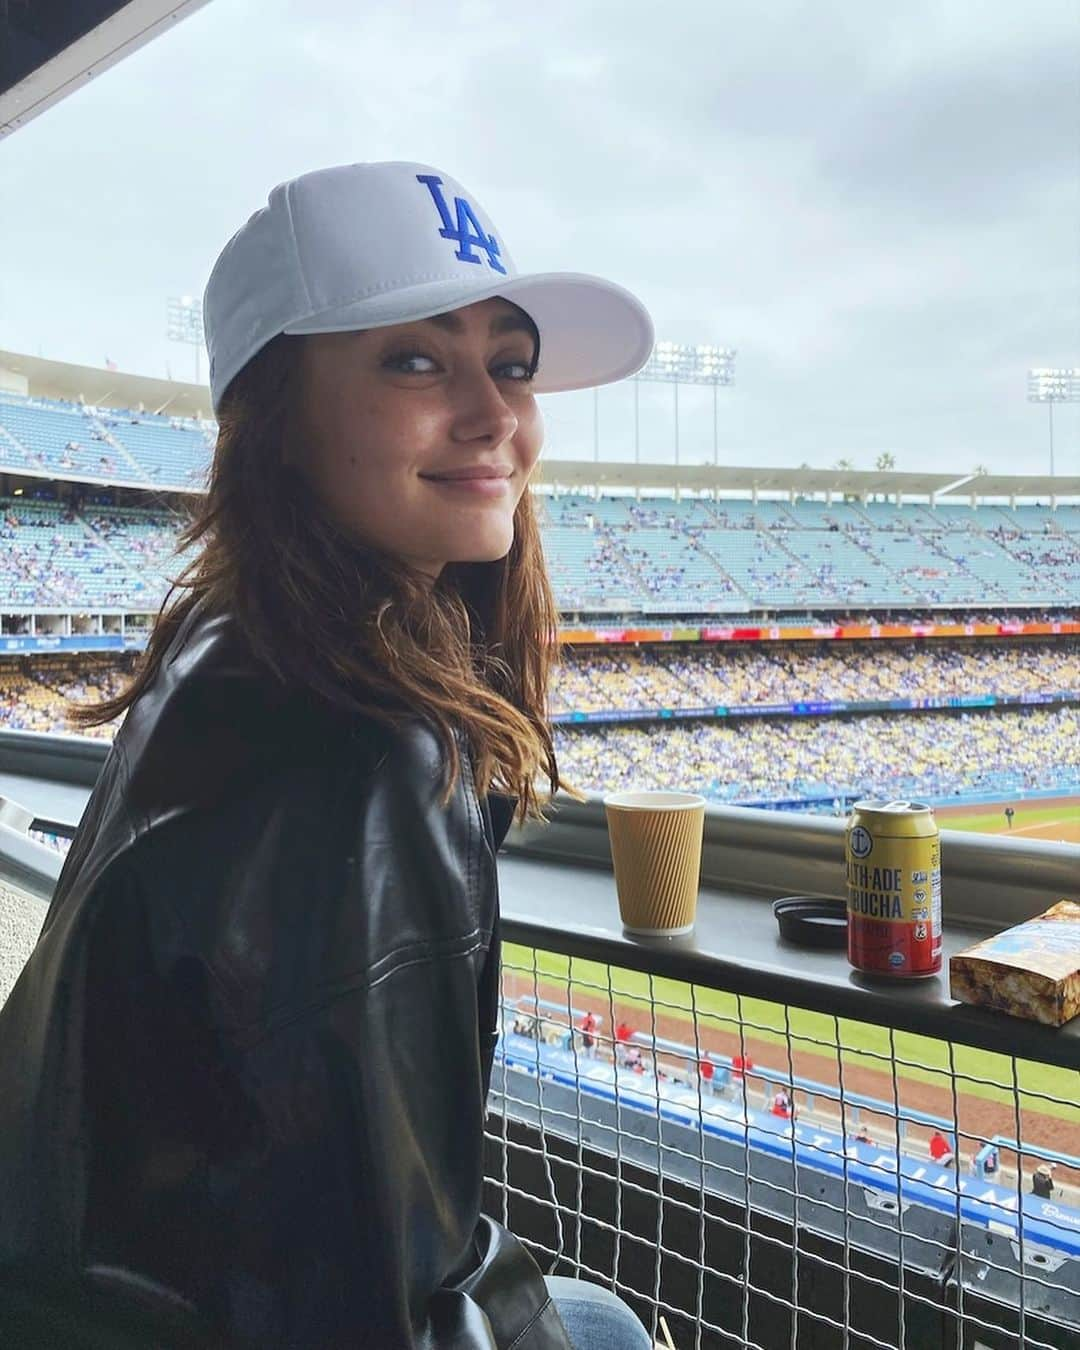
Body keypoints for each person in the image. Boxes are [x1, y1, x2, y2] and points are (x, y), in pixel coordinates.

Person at [0, 162, 655, 1350]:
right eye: (415, 359)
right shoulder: (363, 753)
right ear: (278, 422)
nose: (497, 415)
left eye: (508, 362)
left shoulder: (234, 638)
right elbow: (374, 1303)